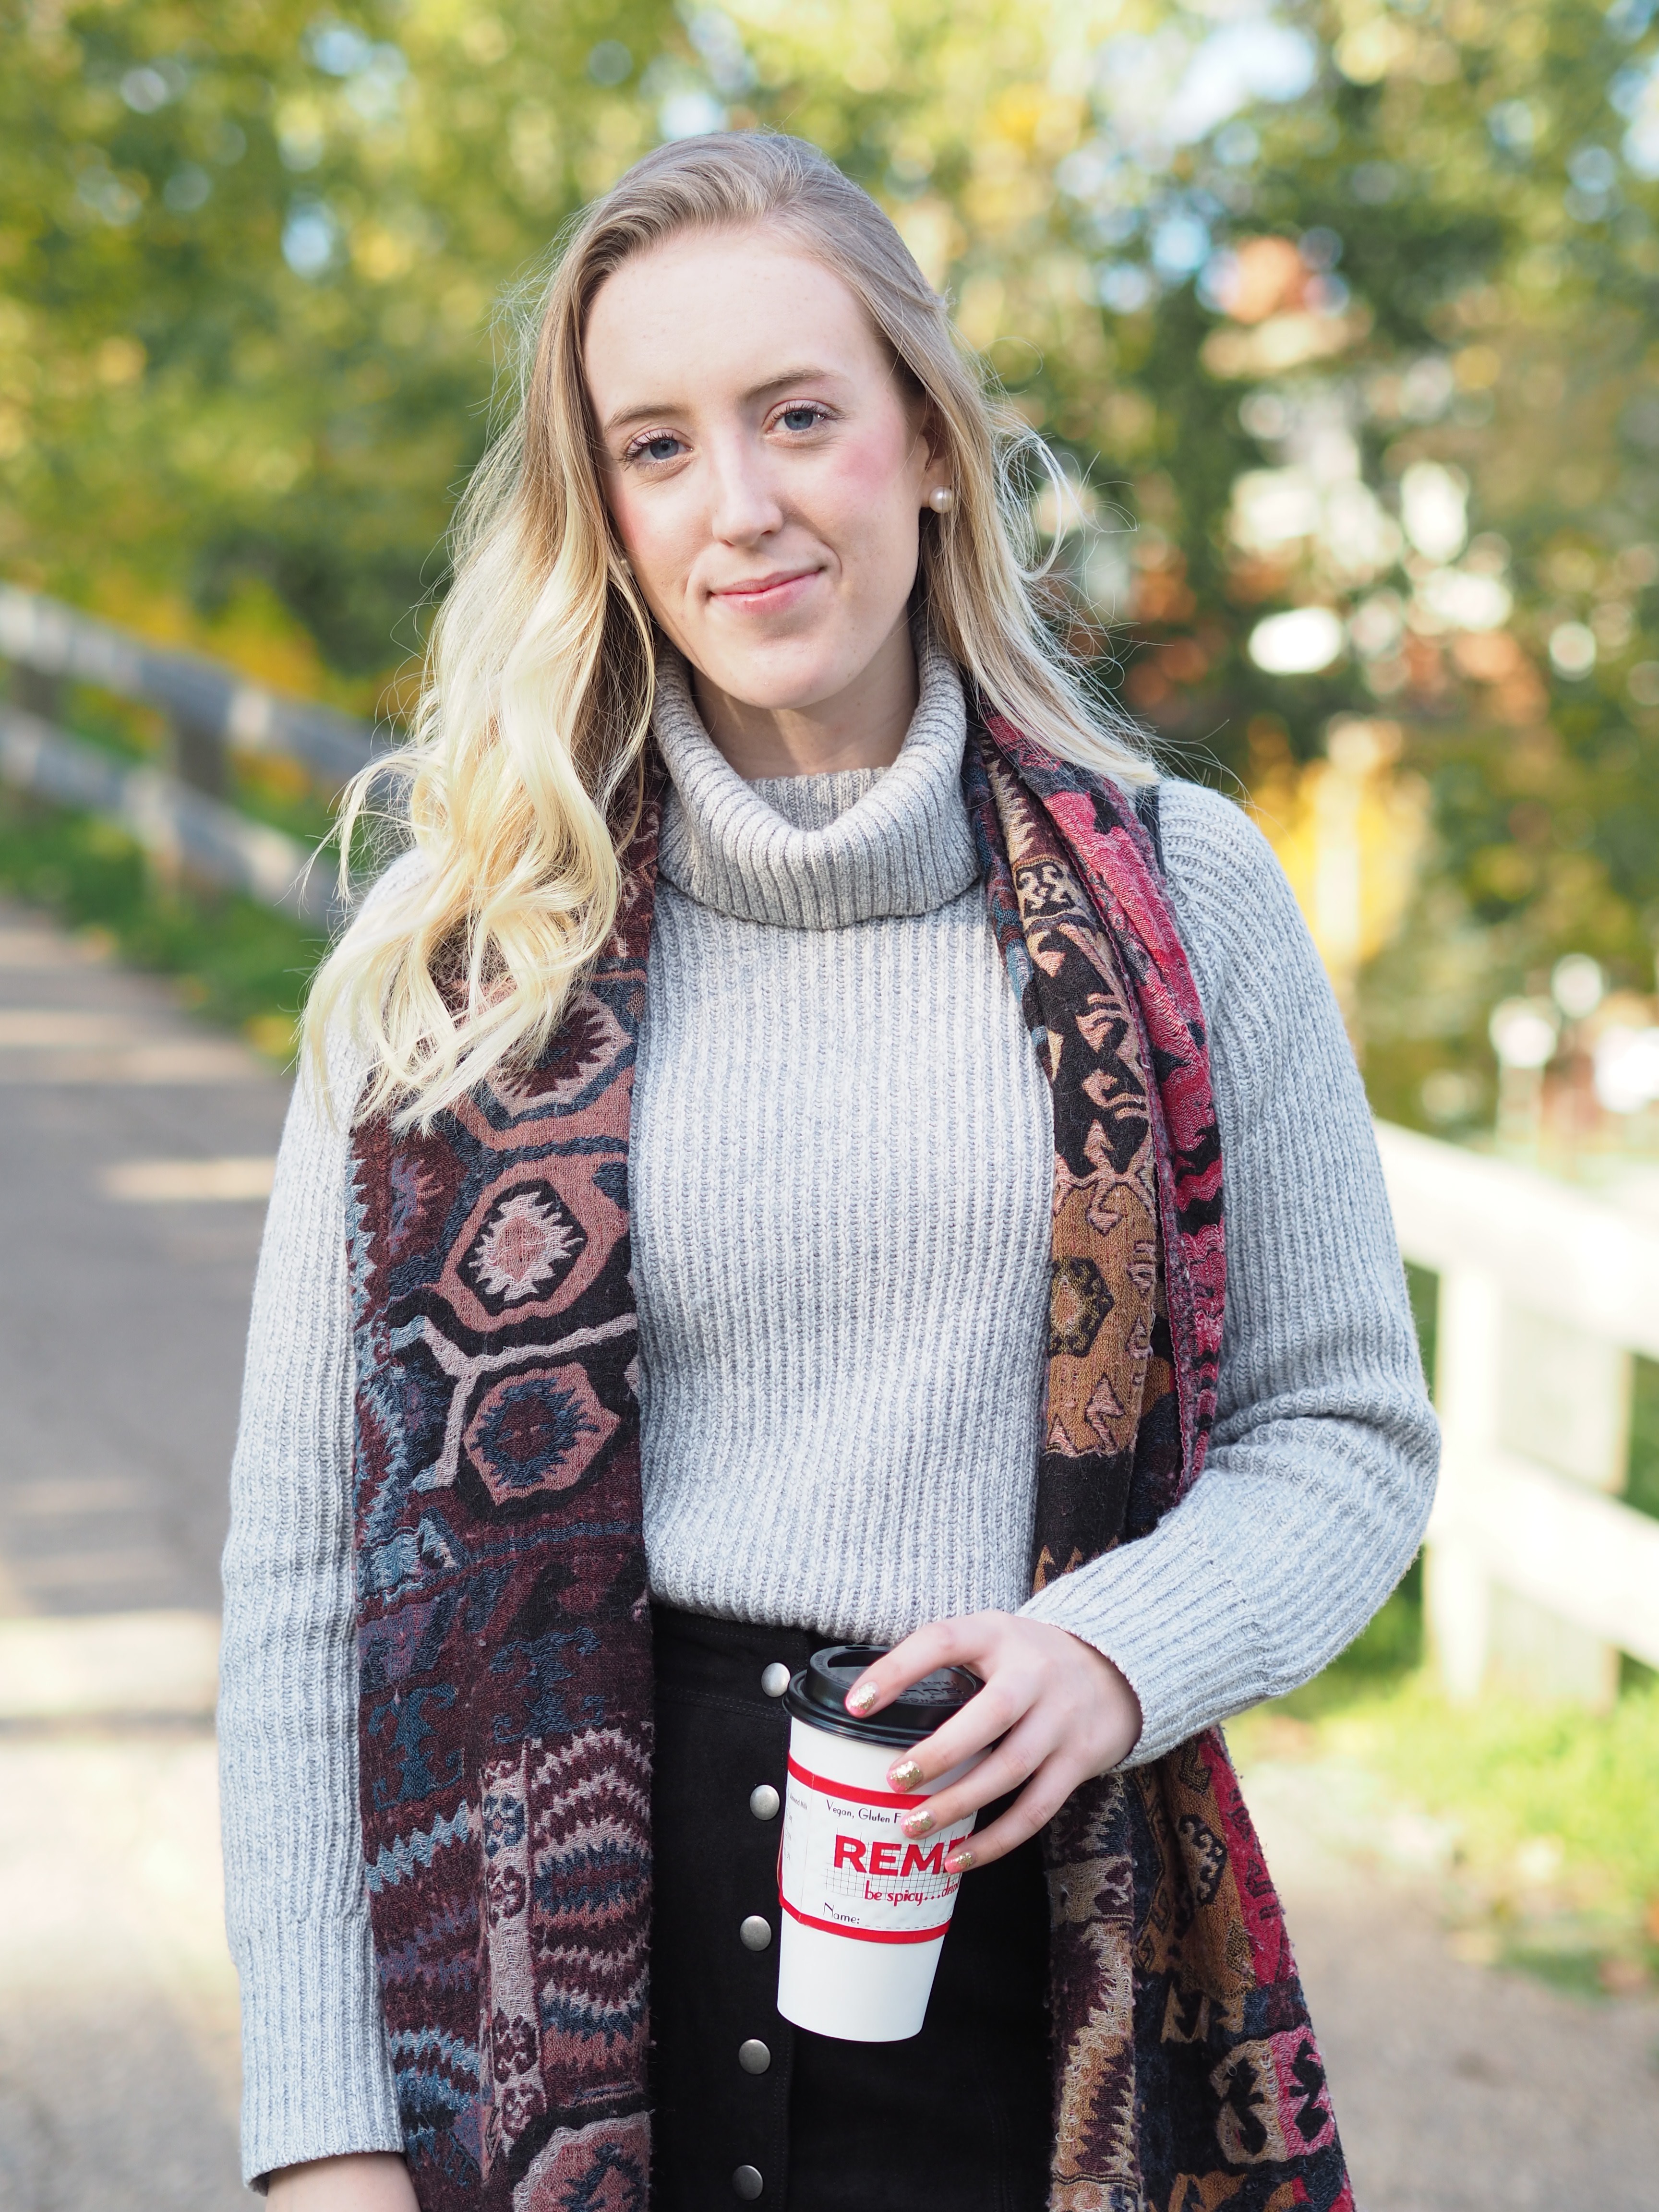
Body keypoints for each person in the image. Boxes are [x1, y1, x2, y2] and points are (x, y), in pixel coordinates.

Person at [218, 132, 1437, 2212]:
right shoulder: (460, 953)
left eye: (802, 416)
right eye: (660, 446)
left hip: (1020, 1947)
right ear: (600, 513)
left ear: (929, 445)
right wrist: (326, 2142)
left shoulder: (1182, 899)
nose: (744, 504)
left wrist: (1125, 1647)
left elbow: (1345, 1430)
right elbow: (306, 1586)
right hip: (553, 1992)